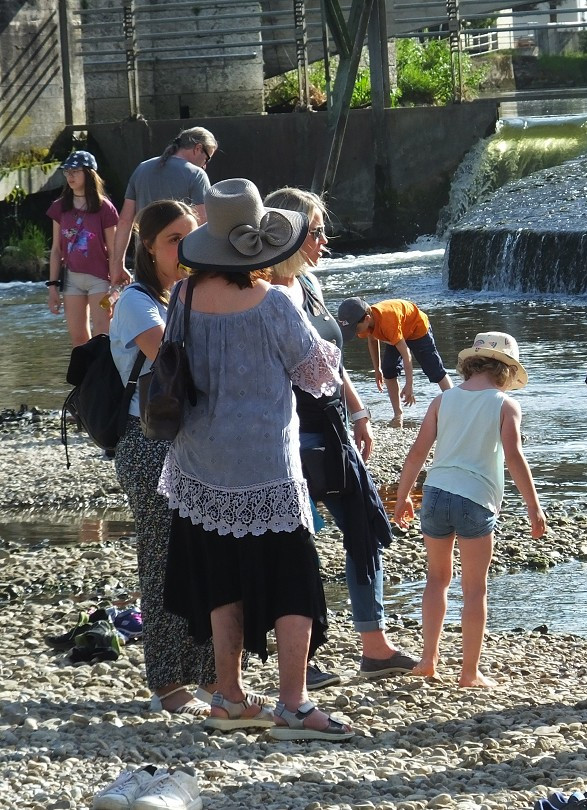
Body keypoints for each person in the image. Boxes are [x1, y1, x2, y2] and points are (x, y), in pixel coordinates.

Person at [160, 178, 353, 741]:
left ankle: (228, 696)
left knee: (223, 580)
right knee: (294, 580)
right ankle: (293, 705)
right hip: (266, 461)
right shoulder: (273, 303)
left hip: (201, 459)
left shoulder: (185, 297)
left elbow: (176, 366)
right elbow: (317, 378)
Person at [264, 186, 420, 687]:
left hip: (330, 426)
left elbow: (331, 356)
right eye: (315, 230)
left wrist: (359, 413)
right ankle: (301, 661)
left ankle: (374, 646)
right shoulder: (264, 290)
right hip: (286, 432)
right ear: (286, 231)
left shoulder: (309, 285)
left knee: (365, 525)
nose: (325, 240)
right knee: (295, 542)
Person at [111, 200, 231, 716]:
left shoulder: (183, 294)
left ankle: (208, 676)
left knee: (205, 555)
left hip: (189, 439)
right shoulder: (137, 302)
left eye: (192, 236)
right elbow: (180, 360)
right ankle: (167, 683)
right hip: (147, 442)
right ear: (148, 245)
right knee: (161, 560)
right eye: (172, 240)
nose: (184, 248)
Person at [393, 332, 546, 687]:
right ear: (506, 371)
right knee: (475, 588)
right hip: (475, 498)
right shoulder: (505, 404)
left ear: (470, 365)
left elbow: (418, 452)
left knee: (436, 579)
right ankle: (469, 672)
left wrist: (403, 498)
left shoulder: (443, 400)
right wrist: (533, 507)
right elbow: (513, 457)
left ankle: (428, 659)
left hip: (435, 493)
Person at [110, 127, 216, 285]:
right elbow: (203, 222)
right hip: (180, 264)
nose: (205, 166)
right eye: (207, 159)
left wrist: (117, 264)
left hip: (145, 262)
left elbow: (125, 221)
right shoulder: (196, 175)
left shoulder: (141, 169)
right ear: (198, 148)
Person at [337, 297, 454, 427]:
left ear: (367, 319)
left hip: (417, 328)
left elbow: (406, 354)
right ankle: (398, 415)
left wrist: (409, 385)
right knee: (388, 370)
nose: (355, 332)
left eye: (355, 329)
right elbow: (372, 340)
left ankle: (456, 405)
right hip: (396, 333)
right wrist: (378, 369)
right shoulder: (367, 322)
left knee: (435, 370)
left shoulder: (387, 322)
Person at [46, 151, 119, 346]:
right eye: (67, 172)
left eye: (75, 171)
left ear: (89, 173)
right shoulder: (59, 207)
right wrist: (52, 286)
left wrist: (114, 287)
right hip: (72, 280)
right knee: (78, 339)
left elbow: (113, 251)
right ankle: (84, 377)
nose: (70, 176)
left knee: (102, 335)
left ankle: (104, 375)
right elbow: (56, 250)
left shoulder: (105, 208)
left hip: (100, 279)